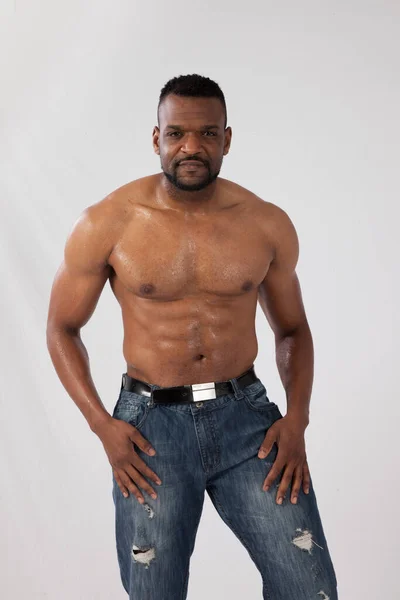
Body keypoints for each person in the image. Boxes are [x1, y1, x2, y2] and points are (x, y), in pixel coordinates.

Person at [46, 73, 338, 599]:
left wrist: (297, 419)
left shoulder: (265, 224)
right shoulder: (107, 222)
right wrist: (101, 425)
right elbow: (62, 327)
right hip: (148, 427)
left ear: (227, 140)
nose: (191, 147)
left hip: (248, 422)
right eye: (177, 132)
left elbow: (292, 328)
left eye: (207, 134)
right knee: (154, 590)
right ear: (155, 138)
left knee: (308, 587)